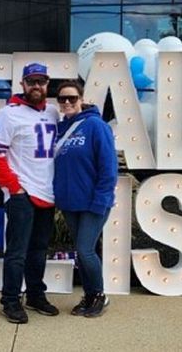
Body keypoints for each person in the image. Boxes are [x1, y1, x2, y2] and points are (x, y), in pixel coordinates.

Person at [0, 62, 60, 323]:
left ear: (47, 84)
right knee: (17, 251)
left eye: (41, 81)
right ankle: (10, 300)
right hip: (23, 194)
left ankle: (36, 295)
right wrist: (15, 189)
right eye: (32, 82)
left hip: (47, 194)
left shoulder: (53, 112)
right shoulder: (9, 114)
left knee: (39, 249)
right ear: (23, 85)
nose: (36, 86)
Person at [53, 79, 118, 317]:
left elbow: (108, 168)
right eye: (63, 99)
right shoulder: (60, 129)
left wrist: (101, 199)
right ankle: (89, 296)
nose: (68, 102)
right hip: (70, 203)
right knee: (82, 251)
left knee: (85, 250)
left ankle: (100, 295)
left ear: (81, 99)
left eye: (72, 98)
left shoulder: (96, 126)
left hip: (94, 202)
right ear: (58, 103)